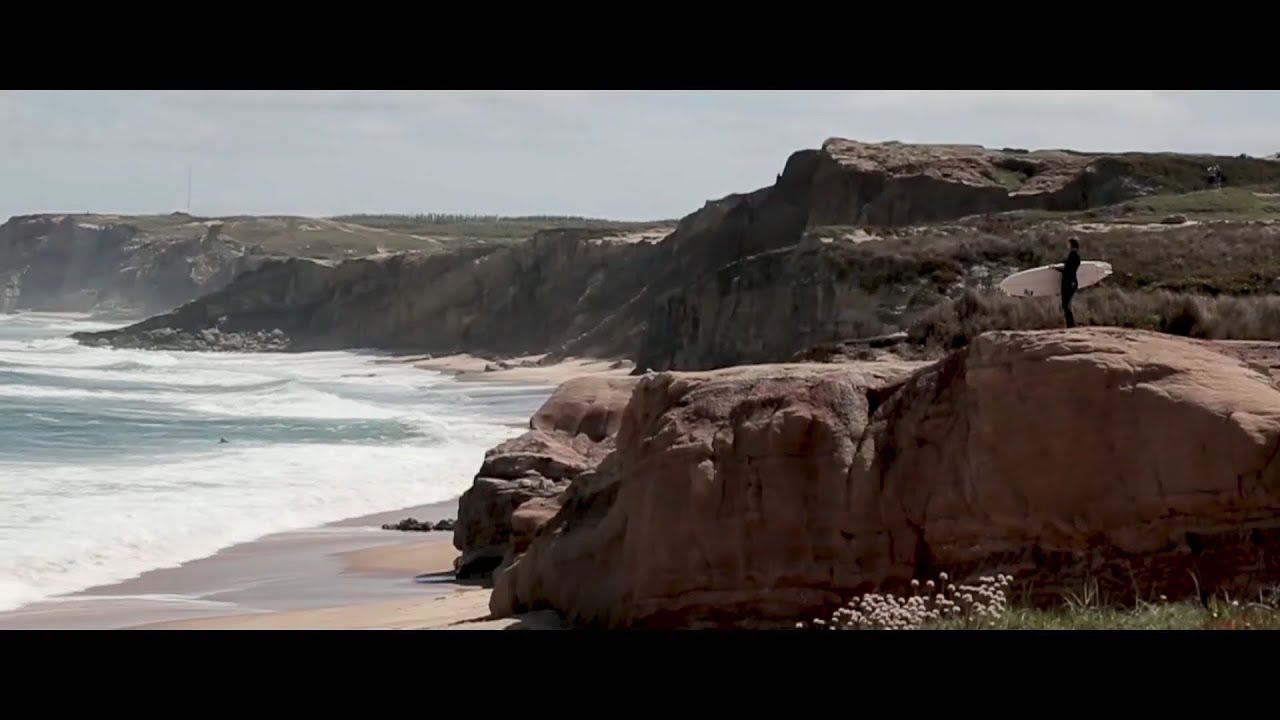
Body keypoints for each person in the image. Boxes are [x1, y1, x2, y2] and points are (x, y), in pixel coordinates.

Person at [1055, 237, 1081, 328]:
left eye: (1068, 244)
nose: (1067, 245)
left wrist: (1057, 269)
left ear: (1071, 245)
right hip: (1070, 282)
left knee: (1066, 304)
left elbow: (1069, 270)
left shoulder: (1073, 256)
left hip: (1069, 282)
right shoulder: (1074, 256)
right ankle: (1070, 324)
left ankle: (1071, 325)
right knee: (1066, 304)